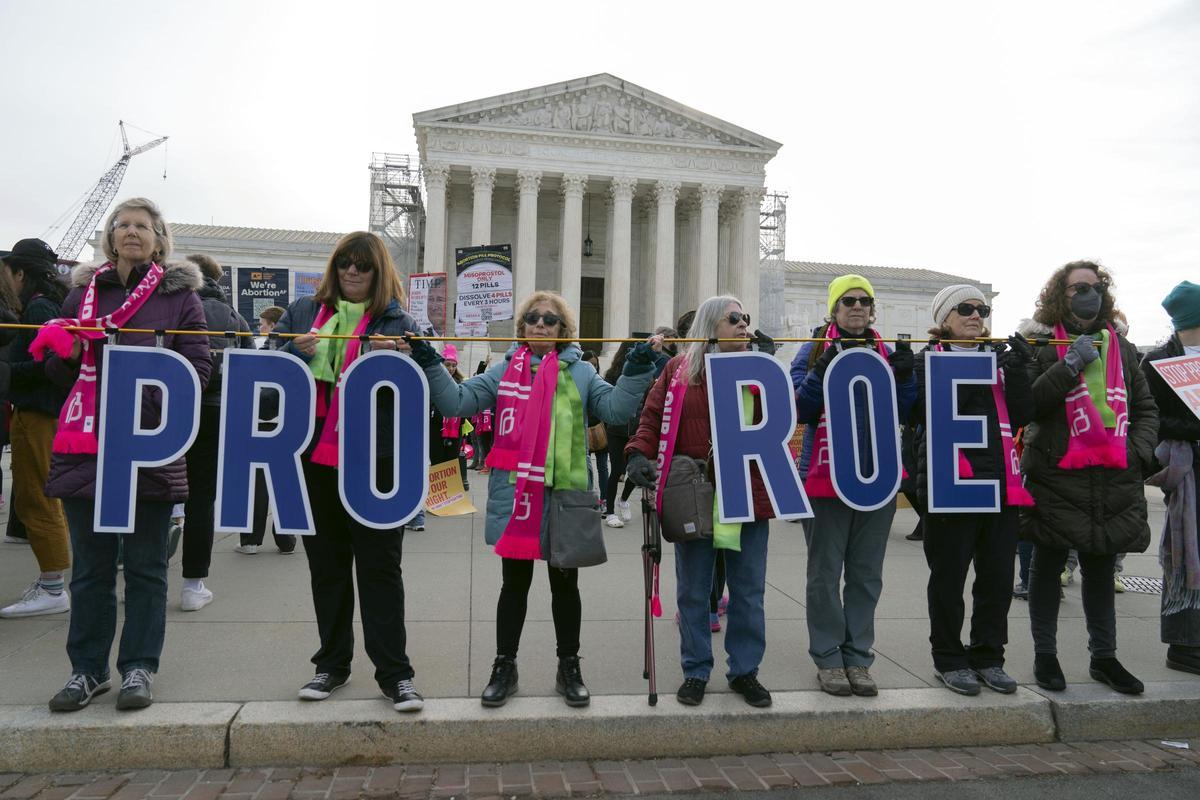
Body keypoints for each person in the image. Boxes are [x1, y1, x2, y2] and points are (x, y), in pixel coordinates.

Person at [407, 290, 660, 708]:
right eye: (533, 318)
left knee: (565, 586)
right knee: (515, 586)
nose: (540, 324)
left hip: (564, 492)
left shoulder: (580, 373)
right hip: (517, 493)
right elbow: (456, 402)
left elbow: (615, 411)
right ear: (522, 327)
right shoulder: (503, 370)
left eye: (550, 319)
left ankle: (569, 666)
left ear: (563, 331)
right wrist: (431, 362)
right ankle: (505, 666)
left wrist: (635, 368)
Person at [37, 198, 212, 711]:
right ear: (111, 238)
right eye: (122, 225)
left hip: (148, 447)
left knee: (145, 567)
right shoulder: (81, 296)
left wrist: (140, 398)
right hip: (87, 447)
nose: (131, 232)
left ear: (159, 240)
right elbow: (58, 377)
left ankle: (138, 667)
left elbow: (197, 371)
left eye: (142, 226)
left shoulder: (180, 299)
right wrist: (63, 356)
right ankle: (86, 671)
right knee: (90, 568)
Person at [274, 231, 424, 712]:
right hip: (313, 455)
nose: (353, 272)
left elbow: (428, 385)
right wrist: (291, 353)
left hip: (374, 462)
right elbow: (264, 374)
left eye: (363, 265)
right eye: (345, 264)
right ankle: (331, 666)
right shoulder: (302, 312)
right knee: (328, 567)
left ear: (379, 273)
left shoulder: (399, 320)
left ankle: (395, 674)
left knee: (381, 569)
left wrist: (406, 356)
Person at [626, 295, 779, 708]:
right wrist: (638, 452)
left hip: (747, 489)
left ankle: (744, 671)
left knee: (748, 590)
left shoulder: (759, 370)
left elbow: (784, 417)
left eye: (746, 318)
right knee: (694, 590)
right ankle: (695, 669)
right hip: (694, 490)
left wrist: (770, 373)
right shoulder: (679, 370)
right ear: (711, 325)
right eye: (734, 319)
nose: (744, 324)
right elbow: (652, 416)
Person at [1017, 260, 1157, 694]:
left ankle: (1105, 658)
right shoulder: (1039, 343)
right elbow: (1026, 405)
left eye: (1094, 287)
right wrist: (1068, 365)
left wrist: (1136, 452)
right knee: (1047, 566)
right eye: (1078, 288)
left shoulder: (1121, 347)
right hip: (1058, 472)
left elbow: (1146, 409)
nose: (1087, 294)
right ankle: (1046, 656)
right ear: (1061, 293)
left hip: (1113, 474)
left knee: (1099, 568)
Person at [791, 274, 917, 697]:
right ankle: (828, 658)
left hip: (877, 479)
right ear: (834, 308)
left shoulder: (886, 350)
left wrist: (906, 376)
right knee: (824, 574)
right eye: (848, 301)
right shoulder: (811, 351)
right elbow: (797, 410)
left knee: (866, 575)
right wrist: (819, 373)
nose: (858, 307)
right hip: (825, 477)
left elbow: (908, 412)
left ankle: (858, 658)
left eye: (865, 300)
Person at [912, 285, 1035, 694]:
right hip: (950, 482)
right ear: (944, 318)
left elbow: (1022, 415)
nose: (976, 315)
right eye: (965, 308)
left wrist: (1019, 371)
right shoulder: (927, 360)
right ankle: (948, 658)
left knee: (998, 578)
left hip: (998, 483)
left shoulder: (997, 359)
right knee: (948, 579)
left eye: (982, 309)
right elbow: (915, 413)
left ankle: (988, 656)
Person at [177, 253, 256, 611]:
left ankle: (142, 573)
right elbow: (252, 369)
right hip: (216, 412)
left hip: (168, 409)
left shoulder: (172, 307)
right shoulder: (235, 317)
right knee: (201, 498)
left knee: (151, 492)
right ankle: (193, 583)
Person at [0, 239, 71, 618]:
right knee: (37, 498)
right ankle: (50, 582)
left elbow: (49, 366)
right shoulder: (47, 303)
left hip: (40, 414)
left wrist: (9, 373)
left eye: (9, 271)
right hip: (40, 413)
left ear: (21, 272)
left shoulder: (39, 306)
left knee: (38, 498)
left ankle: (53, 586)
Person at [1143, 280, 1200, 675]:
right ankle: (1184, 643)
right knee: (1187, 555)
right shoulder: (1158, 362)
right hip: (1186, 473)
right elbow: (1151, 420)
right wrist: (1194, 428)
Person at [236, 305, 297, 554]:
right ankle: (286, 539)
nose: (260, 328)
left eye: (262, 324)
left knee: (257, 484)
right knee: (285, 481)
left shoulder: (264, 353)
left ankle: (251, 540)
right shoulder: (299, 352)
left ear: (273, 326)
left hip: (261, 422)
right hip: (288, 423)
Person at [602, 328, 675, 529]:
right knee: (616, 469)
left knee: (636, 469)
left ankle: (623, 499)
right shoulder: (613, 374)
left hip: (636, 427)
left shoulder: (646, 373)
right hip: (617, 429)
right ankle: (609, 512)